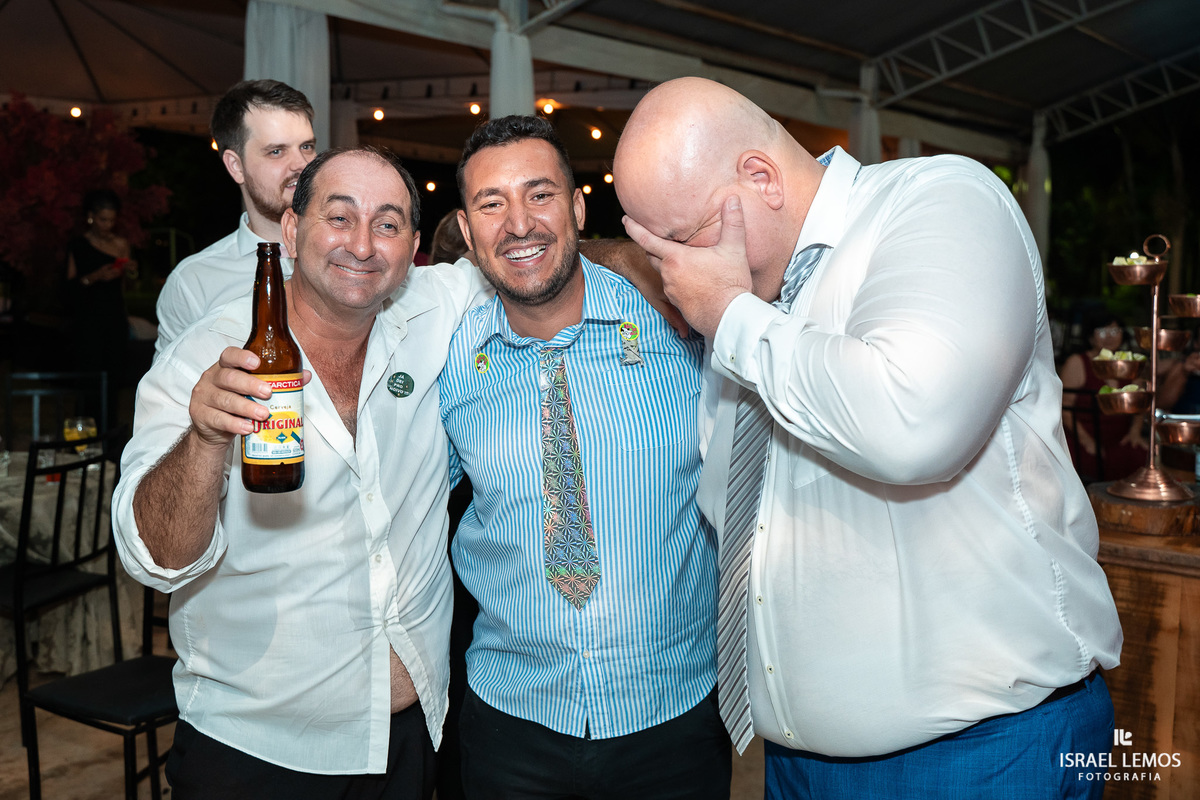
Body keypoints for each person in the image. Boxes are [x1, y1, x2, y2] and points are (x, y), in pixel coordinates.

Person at [613, 77, 1123, 799]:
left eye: (681, 240)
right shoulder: (751, 310)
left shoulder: (938, 202)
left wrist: (730, 315)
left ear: (760, 177)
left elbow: (912, 425)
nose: (677, 276)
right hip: (800, 763)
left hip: (981, 752)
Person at [112, 146, 489, 799]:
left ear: (414, 248)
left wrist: (664, 251)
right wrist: (205, 438)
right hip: (255, 752)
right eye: (339, 218)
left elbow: (540, 260)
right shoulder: (209, 356)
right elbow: (156, 559)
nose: (362, 245)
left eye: (387, 224)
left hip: (409, 741)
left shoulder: (436, 310)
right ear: (291, 230)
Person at [439, 115, 729, 799]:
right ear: (467, 231)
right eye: (492, 204)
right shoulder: (445, 359)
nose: (519, 224)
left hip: (675, 716)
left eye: (540, 195)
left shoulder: (680, 321)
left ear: (576, 208)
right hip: (511, 721)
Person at [153, 79, 316, 358]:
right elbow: (168, 385)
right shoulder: (194, 283)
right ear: (236, 166)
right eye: (276, 151)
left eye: (307, 147)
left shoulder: (355, 255)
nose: (301, 163)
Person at [66, 189, 136, 424]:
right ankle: (85, 430)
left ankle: (109, 432)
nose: (108, 225)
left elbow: (127, 287)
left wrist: (130, 271)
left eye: (112, 220)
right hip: (87, 321)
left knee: (113, 379)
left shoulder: (121, 244)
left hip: (114, 318)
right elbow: (69, 287)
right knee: (89, 378)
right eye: (103, 219)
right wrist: (95, 277)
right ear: (91, 217)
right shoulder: (78, 245)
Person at [1058, 309, 1149, 481]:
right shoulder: (1077, 362)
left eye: (1115, 331)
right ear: (1090, 337)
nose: (1109, 336)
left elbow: (1140, 402)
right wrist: (1086, 440)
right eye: (1102, 331)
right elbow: (1064, 408)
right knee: (1083, 465)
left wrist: (1135, 431)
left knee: (1141, 459)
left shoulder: (1130, 363)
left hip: (1120, 438)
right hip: (1081, 436)